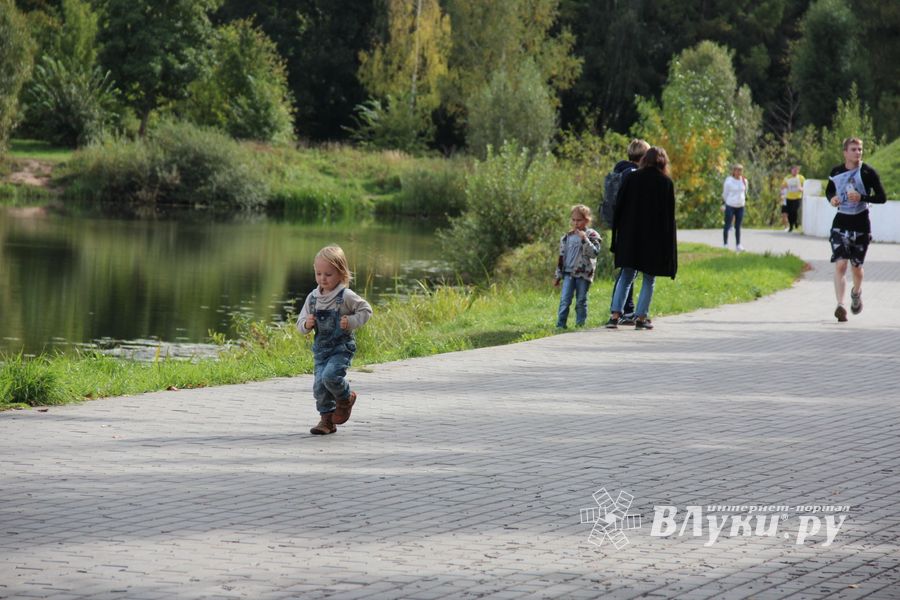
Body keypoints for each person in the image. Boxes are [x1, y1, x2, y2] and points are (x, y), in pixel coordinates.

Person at [297, 245, 373, 434]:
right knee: (319, 387)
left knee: (330, 377)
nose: (323, 278)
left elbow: (366, 310)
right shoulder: (312, 298)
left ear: (341, 274)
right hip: (321, 351)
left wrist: (352, 321)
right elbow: (299, 324)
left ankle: (346, 398)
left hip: (341, 347)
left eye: (328, 274)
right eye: (319, 273)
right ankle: (327, 421)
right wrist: (307, 324)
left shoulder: (345, 296)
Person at [606, 147, 678, 330]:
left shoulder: (631, 178)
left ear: (644, 160)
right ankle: (640, 317)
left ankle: (615, 316)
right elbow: (669, 218)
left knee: (626, 275)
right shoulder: (665, 183)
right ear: (663, 162)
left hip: (630, 237)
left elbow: (619, 206)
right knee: (648, 279)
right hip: (653, 240)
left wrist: (617, 236)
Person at [824, 137, 886, 322]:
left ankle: (856, 293)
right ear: (845, 152)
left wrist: (862, 197)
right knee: (841, 264)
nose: (858, 152)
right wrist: (832, 199)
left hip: (860, 225)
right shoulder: (836, 171)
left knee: (856, 267)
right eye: (853, 149)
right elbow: (829, 190)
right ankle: (840, 305)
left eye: (860, 149)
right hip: (840, 224)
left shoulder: (868, 172)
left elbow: (882, 197)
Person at [605, 138, 650, 326]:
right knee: (627, 272)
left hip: (622, 227)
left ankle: (623, 310)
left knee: (626, 270)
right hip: (632, 228)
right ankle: (623, 312)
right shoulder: (632, 174)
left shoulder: (619, 171)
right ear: (643, 156)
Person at [554, 204, 602, 328]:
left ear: (586, 220)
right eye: (573, 220)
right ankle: (560, 325)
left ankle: (580, 325)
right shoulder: (567, 237)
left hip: (583, 274)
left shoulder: (592, 235)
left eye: (579, 220)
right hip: (568, 274)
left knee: (581, 300)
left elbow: (594, 253)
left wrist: (585, 239)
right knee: (565, 300)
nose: (576, 223)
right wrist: (558, 275)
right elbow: (561, 257)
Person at [722, 164, 748, 251]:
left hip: (740, 206)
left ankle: (738, 244)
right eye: (737, 170)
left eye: (740, 170)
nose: (739, 172)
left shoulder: (744, 180)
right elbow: (725, 193)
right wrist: (726, 203)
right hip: (730, 205)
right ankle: (725, 244)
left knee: (738, 226)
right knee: (727, 224)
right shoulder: (729, 181)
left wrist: (743, 201)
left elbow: (745, 192)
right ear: (733, 171)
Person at [781, 165, 805, 232]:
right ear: (791, 171)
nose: (795, 171)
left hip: (797, 197)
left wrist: (801, 189)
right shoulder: (788, 177)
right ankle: (791, 226)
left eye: (796, 170)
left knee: (795, 211)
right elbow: (782, 186)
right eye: (793, 170)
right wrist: (786, 185)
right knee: (790, 212)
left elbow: (805, 186)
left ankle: (796, 222)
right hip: (789, 197)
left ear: (798, 171)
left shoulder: (801, 178)